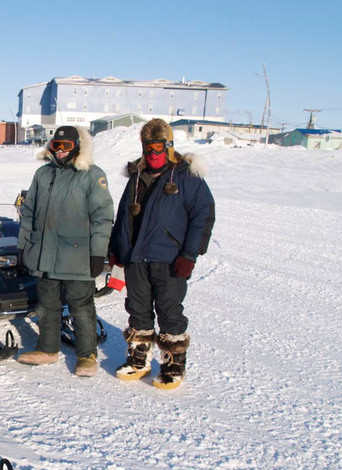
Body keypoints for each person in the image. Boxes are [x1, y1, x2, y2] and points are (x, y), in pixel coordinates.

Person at [108, 119, 215, 389]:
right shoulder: (136, 176)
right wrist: (116, 248)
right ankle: (138, 359)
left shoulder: (186, 177)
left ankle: (173, 364)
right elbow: (123, 215)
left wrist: (190, 254)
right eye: (148, 147)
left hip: (169, 258)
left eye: (158, 147)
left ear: (169, 146)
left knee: (169, 311)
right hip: (135, 257)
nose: (153, 153)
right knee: (138, 309)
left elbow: (202, 216)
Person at [15, 125, 114, 377]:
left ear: (77, 147)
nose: (59, 152)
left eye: (66, 146)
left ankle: (86, 355)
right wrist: (23, 246)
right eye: (55, 146)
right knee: (47, 305)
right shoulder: (42, 173)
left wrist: (97, 253)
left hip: (77, 255)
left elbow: (102, 217)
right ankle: (48, 349)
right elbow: (28, 213)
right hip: (44, 253)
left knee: (80, 305)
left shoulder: (91, 175)